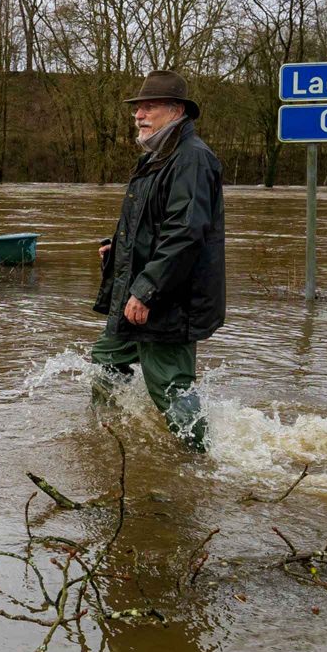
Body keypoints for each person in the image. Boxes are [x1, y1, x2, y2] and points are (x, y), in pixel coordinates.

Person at [92, 70, 225, 450]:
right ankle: (108, 441)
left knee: (170, 389)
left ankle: (205, 464)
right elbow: (155, 222)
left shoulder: (192, 160)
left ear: (176, 110)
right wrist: (118, 249)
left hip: (167, 300)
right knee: (105, 362)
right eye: (137, 108)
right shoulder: (157, 157)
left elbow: (185, 233)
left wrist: (147, 290)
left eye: (149, 107)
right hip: (141, 294)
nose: (139, 114)